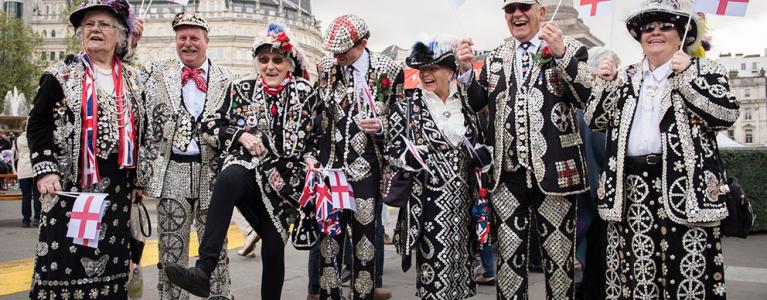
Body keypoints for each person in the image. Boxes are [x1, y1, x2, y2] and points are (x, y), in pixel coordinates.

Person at [585, 0, 738, 298]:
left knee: (690, 276)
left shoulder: (705, 69)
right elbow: (595, 119)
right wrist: (603, 84)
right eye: (648, 28)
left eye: (665, 26)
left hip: (686, 190)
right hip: (633, 191)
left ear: (681, 34)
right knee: (639, 276)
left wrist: (686, 79)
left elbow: (726, 115)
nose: (655, 32)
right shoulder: (625, 76)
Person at [162, 22, 319, 299]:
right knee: (230, 176)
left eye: (277, 60)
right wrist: (240, 135)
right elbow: (211, 124)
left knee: (273, 249)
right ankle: (203, 270)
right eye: (264, 59)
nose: (270, 66)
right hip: (248, 171)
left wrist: (310, 158)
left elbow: (317, 135)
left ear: (290, 64)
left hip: (282, 186)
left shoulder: (306, 93)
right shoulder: (241, 89)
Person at [457, 0, 592, 298]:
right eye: (510, 9)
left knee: (559, 261)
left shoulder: (566, 46)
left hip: (556, 172)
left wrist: (561, 55)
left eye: (524, 7)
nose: (517, 14)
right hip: (507, 175)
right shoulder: (496, 57)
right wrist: (466, 72)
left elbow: (587, 96)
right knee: (508, 257)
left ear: (541, 12)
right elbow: (477, 104)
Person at [26, 0, 148, 298]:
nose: (95, 29)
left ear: (119, 35)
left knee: (112, 267)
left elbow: (143, 131)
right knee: (68, 262)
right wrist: (45, 171)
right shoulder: (61, 74)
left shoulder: (134, 79)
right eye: (89, 24)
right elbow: (37, 123)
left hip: (117, 193)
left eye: (104, 24)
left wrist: (140, 181)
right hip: (72, 189)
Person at [388, 34, 491, 299]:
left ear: (450, 71)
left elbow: (483, 140)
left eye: (432, 68)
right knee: (434, 276)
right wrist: (409, 159)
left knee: (462, 273)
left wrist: (483, 156)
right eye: (422, 70)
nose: (426, 74)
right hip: (428, 207)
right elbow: (392, 152)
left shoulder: (466, 105)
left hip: (465, 205)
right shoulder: (407, 108)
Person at [139, 13, 234, 300]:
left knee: (215, 247)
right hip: (172, 171)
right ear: (175, 41)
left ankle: (219, 296)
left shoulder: (228, 79)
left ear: (207, 41)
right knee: (170, 248)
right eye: (182, 37)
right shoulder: (156, 72)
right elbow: (123, 73)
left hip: (212, 172)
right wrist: (131, 42)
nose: (188, 44)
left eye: (194, 38)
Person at [315, 14, 403, 300]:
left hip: (368, 170)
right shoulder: (325, 66)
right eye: (333, 50)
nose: (336, 56)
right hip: (331, 171)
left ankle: (363, 296)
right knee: (329, 243)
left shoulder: (389, 68)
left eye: (343, 50)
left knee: (365, 243)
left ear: (363, 43)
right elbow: (318, 116)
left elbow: (401, 120)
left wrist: (382, 126)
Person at [575, 47, 617, 300]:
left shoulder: (581, 107)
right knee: (599, 264)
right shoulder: (591, 110)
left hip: (589, 198)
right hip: (598, 197)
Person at [14, 127, 41, 228]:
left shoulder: (18, 139)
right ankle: (37, 218)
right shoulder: (35, 136)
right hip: (34, 168)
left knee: (26, 196)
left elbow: (16, 154)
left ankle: (26, 219)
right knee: (37, 195)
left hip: (23, 169)